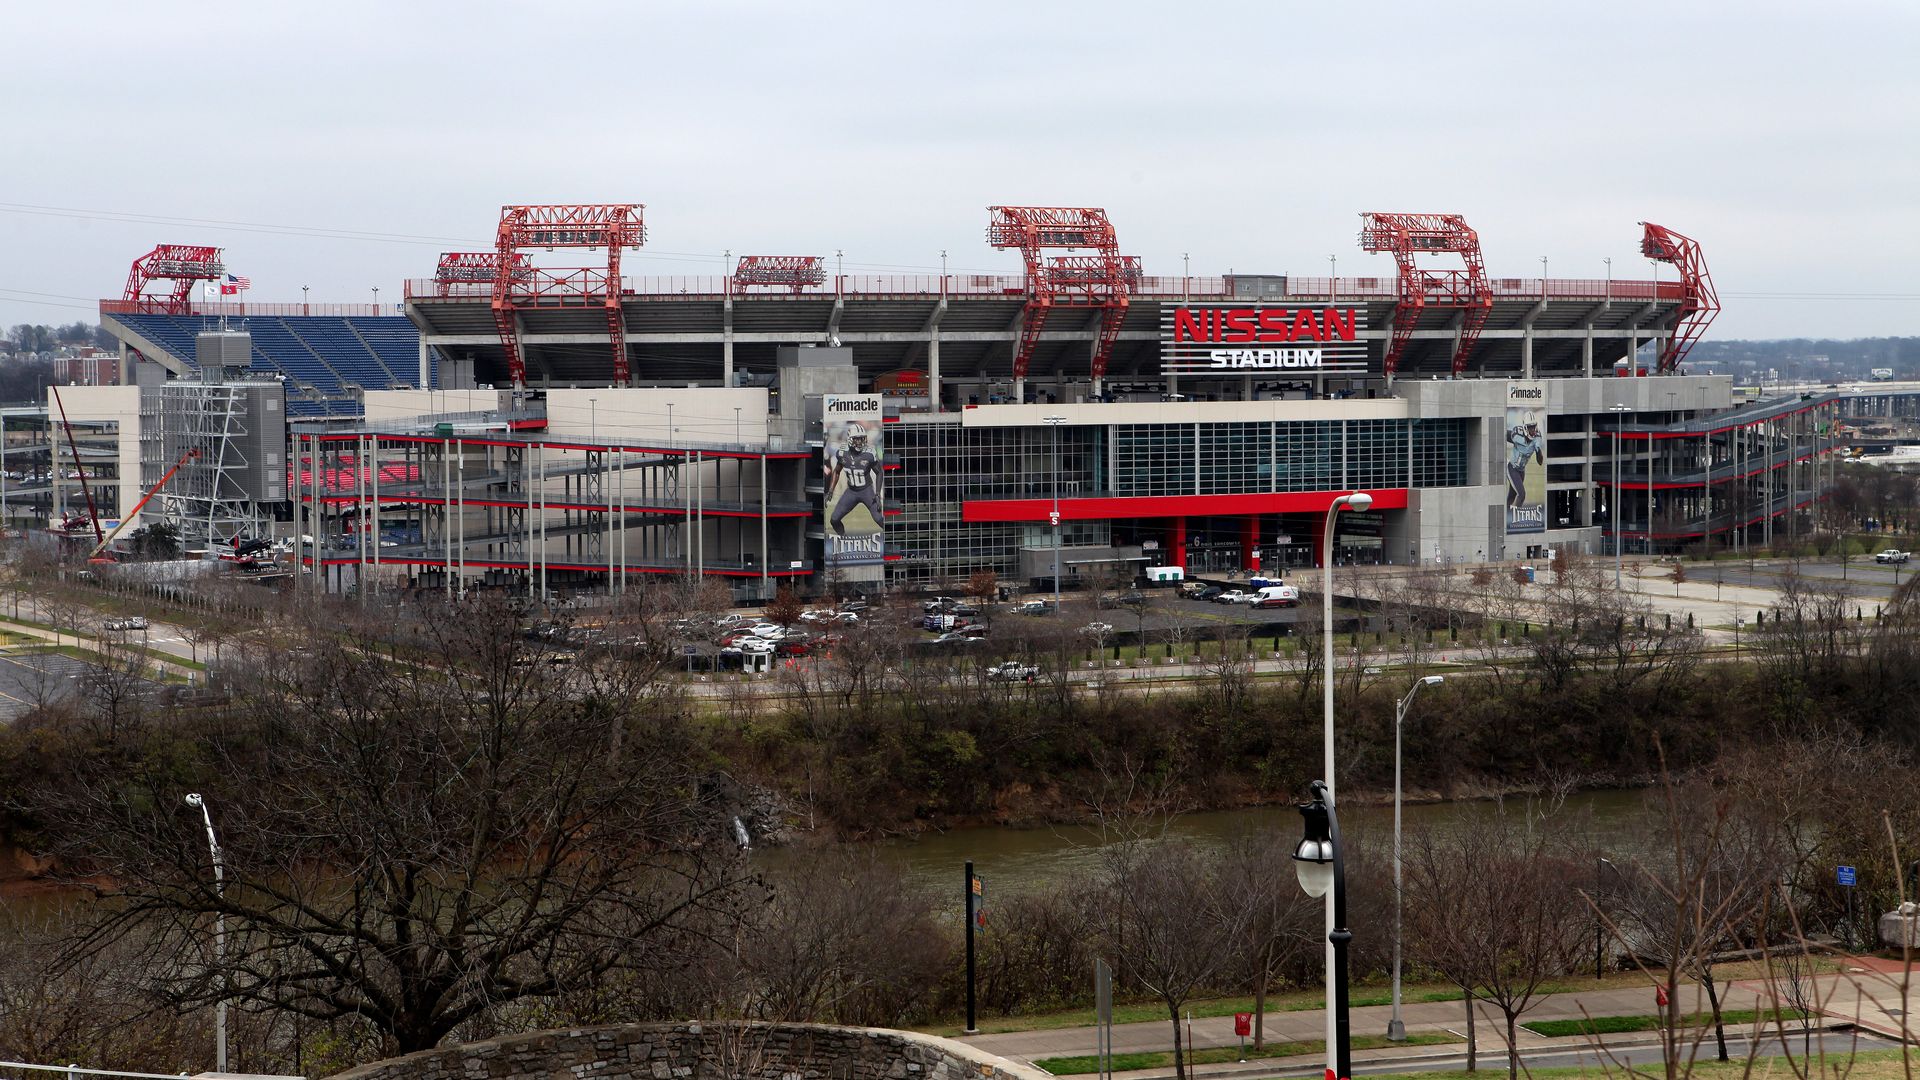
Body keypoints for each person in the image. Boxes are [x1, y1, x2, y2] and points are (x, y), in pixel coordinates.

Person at [826, 421, 883, 538]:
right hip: (851, 491)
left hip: (866, 491)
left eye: (862, 439)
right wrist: (831, 490)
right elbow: (836, 471)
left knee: (879, 518)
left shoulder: (869, 454)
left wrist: (877, 493)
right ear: (850, 439)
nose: (860, 442)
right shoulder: (842, 453)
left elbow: (879, 472)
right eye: (857, 439)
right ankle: (844, 538)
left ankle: (890, 539)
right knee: (834, 519)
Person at [1505, 420, 1546, 511]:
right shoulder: (1517, 435)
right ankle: (1513, 517)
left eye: (1534, 426)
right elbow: (1502, 434)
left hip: (1521, 471)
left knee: (1512, 496)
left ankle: (1505, 515)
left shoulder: (1537, 438)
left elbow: (1540, 462)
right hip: (1512, 468)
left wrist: (1538, 451)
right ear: (1525, 428)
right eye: (1530, 427)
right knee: (1521, 494)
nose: (1533, 429)